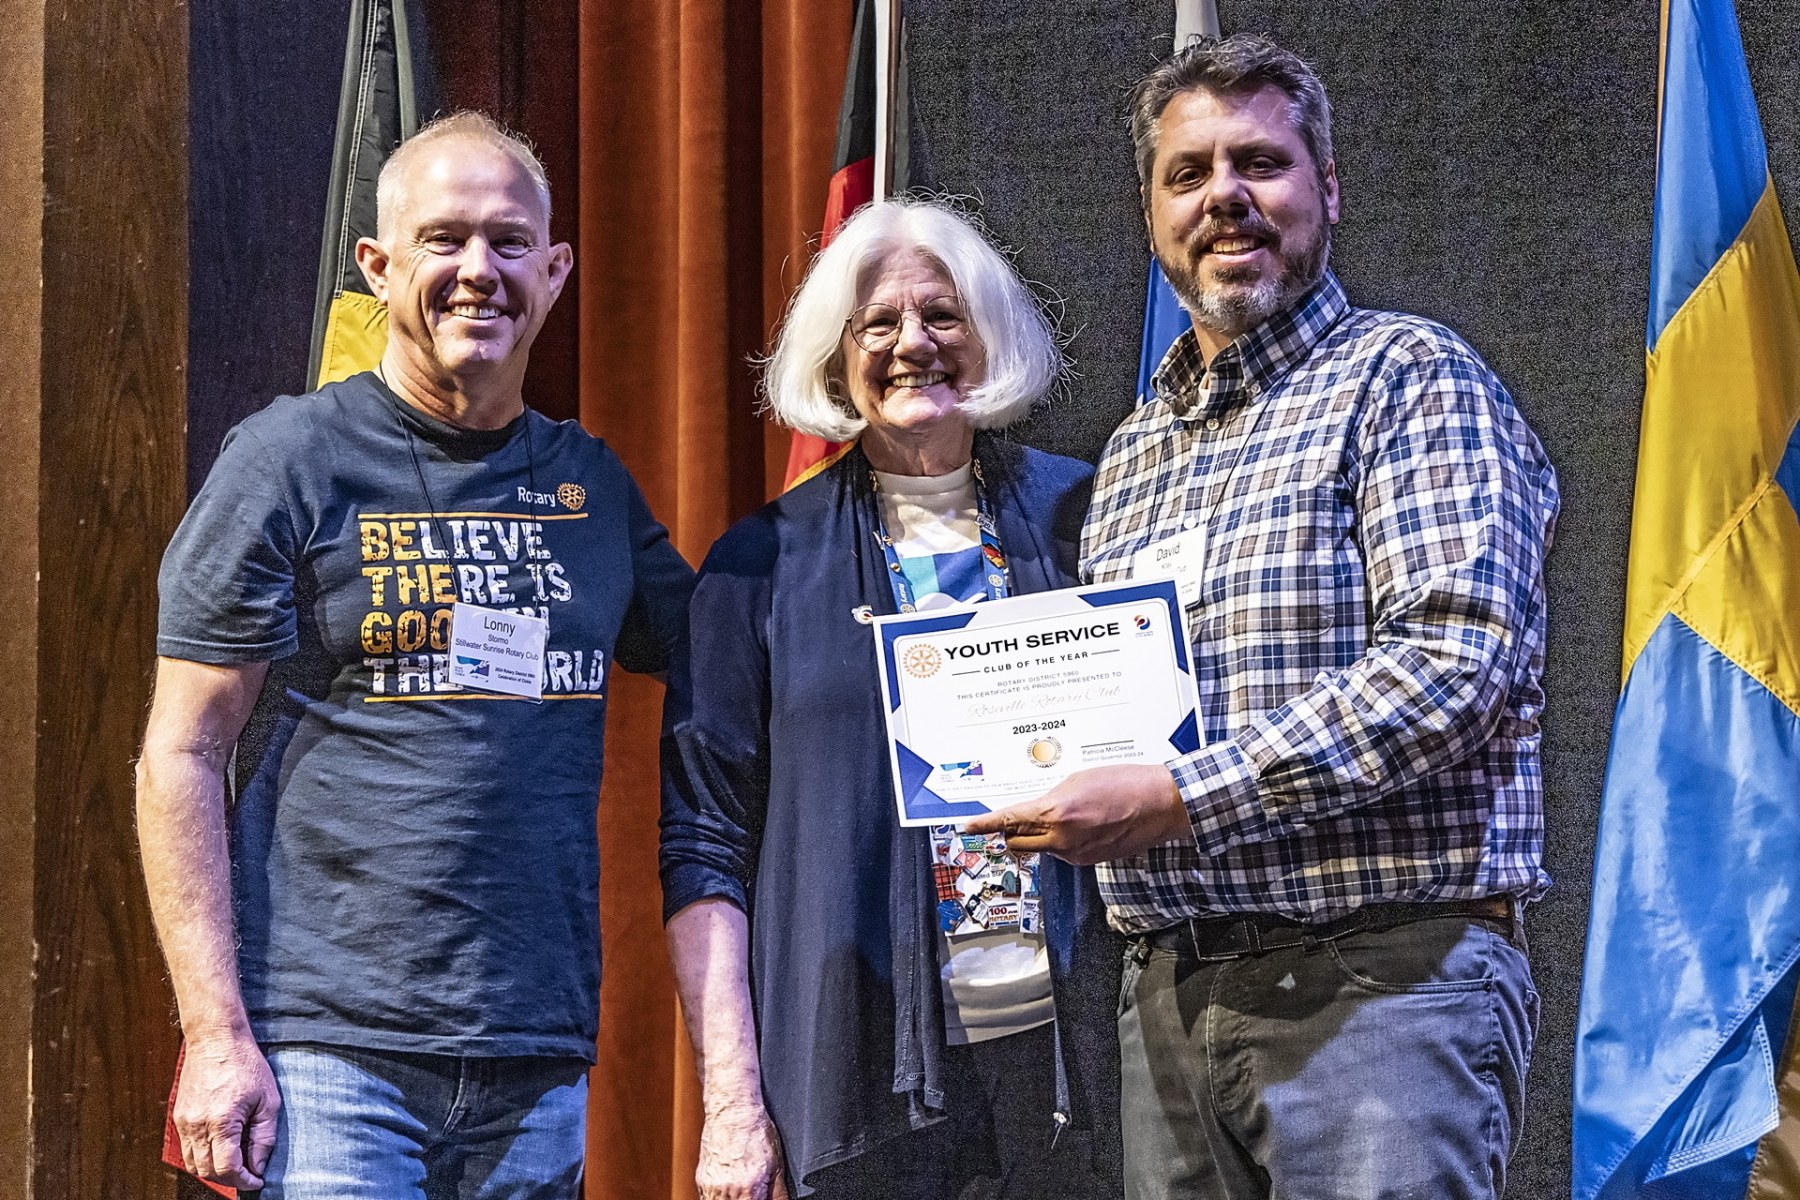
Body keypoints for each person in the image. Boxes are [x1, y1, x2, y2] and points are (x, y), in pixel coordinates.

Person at [964, 35, 1559, 1200]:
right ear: (1151, 213)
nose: (1224, 195)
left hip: (1382, 989)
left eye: (1261, 163)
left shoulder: (1407, 377)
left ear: (1327, 188)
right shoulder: (1133, 454)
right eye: (1188, 174)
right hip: (1169, 1003)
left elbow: (1452, 665)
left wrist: (1180, 796)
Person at [136, 112, 694, 1198]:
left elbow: (736, 647)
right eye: (444, 239)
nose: (479, 270)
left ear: (555, 271)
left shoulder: (590, 484)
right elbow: (181, 754)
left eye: (509, 242)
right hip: (328, 1054)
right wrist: (214, 1036)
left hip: (536, 1054)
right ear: (379, 267)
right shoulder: (290, 460)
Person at [660, 197, 1122, 1200]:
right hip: (858, 1065)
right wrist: (731, 1106)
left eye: (942, 315)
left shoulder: (1088, 515)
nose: (914, 343)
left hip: (1078, 1060)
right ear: (837, 360)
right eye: (879, 324)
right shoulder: (758, 564)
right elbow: (704, 844)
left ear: (988, 337)